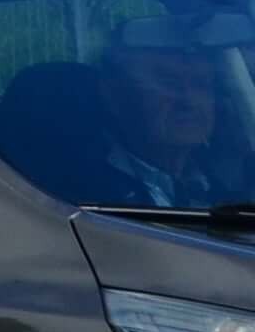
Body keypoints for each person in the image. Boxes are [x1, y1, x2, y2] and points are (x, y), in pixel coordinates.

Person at [98, 19, 249, 209]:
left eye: (201, 84)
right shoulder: (76, 188)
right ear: (115, 94)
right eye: (169, 83)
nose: (189, 101)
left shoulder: (231, 182)